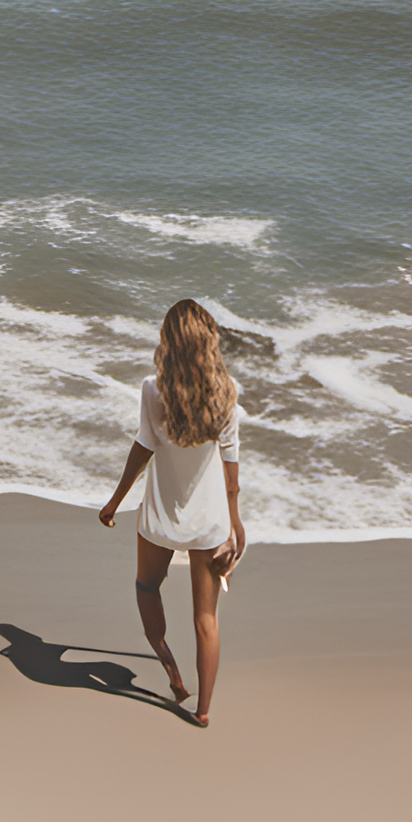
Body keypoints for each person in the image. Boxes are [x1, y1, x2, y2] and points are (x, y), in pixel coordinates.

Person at [99, 296, 244, 728]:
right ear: (208, 342)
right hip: (210, 524)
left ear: (170, 341)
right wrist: (236, 528)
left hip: (160, 520)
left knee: (147, 588)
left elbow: (142, 447)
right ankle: (202, 711)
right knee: (206, 619)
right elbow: (232, 477)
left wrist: (116, 500)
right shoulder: (226, 395)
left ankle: (171, 672)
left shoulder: (153, 389)